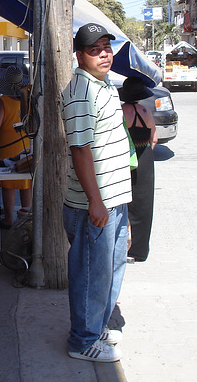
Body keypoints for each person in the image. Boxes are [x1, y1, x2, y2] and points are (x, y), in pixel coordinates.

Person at [60, 22, 132, 363]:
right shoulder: (80, 93)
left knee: (111, 268)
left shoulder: (104, 85)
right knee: (91, 273)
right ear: (79, 55)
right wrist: (95, 201)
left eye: (107, 46)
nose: (104, 53)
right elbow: (80, 150)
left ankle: (97, 326)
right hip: (94, 203)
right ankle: (82, 341)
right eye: (94, 49)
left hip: (113, 199)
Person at [119, 77, 157, 262]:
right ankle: (140, 251)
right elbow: (154, 139)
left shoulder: (121, 112)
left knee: (121, 201)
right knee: (144, 204)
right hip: (145, 157)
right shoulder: (146, 111)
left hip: (124, 158)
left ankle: (122, 246)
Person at [0, 66, 32, 228]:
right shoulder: (28, 99)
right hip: (26, 146)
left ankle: (8, 219)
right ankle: (26, 218)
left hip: (6, 147)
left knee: (8, 185)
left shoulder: (3, 101)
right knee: (25, 183)